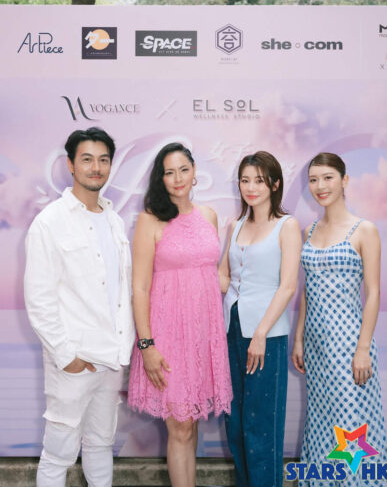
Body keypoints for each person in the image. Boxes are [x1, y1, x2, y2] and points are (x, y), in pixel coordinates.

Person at [24, 127, 135, 487]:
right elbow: (39, 298)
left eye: (103, 160)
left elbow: (120, 292)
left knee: (100, 444)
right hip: (74, 359)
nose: (96, 167)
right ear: (71, 165)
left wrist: (124, 348)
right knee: (58, 452)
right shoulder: (50, 222)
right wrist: (66, 355)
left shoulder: (115, 220)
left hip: (111, 357)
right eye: (87, 159)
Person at [127, 142, 232, 487]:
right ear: (160, 178)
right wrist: (147, 345)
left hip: (203, 335)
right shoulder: (149, 220)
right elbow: (140, 287)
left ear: (194, 171)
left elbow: (211, 276)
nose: (177, 178)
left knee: (191, 424)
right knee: (181, 426)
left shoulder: (209, 216)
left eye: (183, 170)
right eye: (169, 172)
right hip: (167, 337)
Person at [292, 152, 387, 486]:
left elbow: (373, 293)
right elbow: (307, 289)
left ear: (344, 180)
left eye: (328, 177)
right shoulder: (309, 231)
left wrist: (363, 349)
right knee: (322, 425)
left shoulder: (365, 230)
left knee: (352, 429)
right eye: (313, 179)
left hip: (350, 347)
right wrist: (299, 338)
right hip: (317, 348)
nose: (320, 186)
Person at [219, 151, 302, 487]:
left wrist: (260, 334)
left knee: (261, 424)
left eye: (259, 180)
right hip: (231, 328)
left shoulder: (287, 226)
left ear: (275, 184)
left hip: (267, 335)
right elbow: (224, 277)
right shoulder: (235, 225)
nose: (250, 187)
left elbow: (288, 286)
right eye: (245, 180)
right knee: (236, 423)